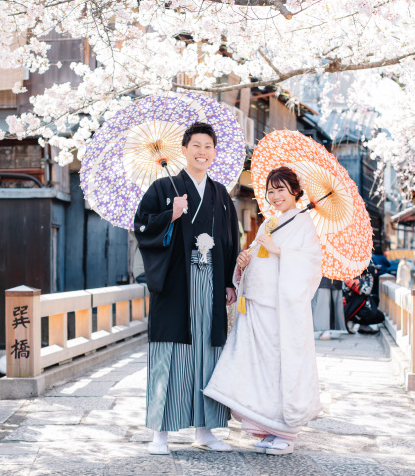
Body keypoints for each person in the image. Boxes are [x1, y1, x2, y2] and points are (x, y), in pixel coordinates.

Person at [133, 122, 240, 455]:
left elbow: (230, 239)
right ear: (184, 150)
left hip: (211, 282)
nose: (202, 152)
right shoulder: (163, 187)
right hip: (176, 284)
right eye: (196, 145)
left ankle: (204, 431)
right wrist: (170, 214)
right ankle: (160, 434)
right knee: (170, 353)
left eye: (208, 146)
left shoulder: (221, 194)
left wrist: (228, 281)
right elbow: (141, 225)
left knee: (207, 353)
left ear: (214, 153)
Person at [204, 166, 323, 455]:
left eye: (281, 189)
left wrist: (280, 251)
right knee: (261, 369)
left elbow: (311, 265)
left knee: (281, 366)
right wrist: (244, 263)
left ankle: (286, 433)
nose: (275, 196)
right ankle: (269, 428)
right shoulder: (270, 223)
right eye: (271, 191)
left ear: (295, 191)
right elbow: (260, 258)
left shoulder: (304, 222)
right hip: (257, 305)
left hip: (281, 310)